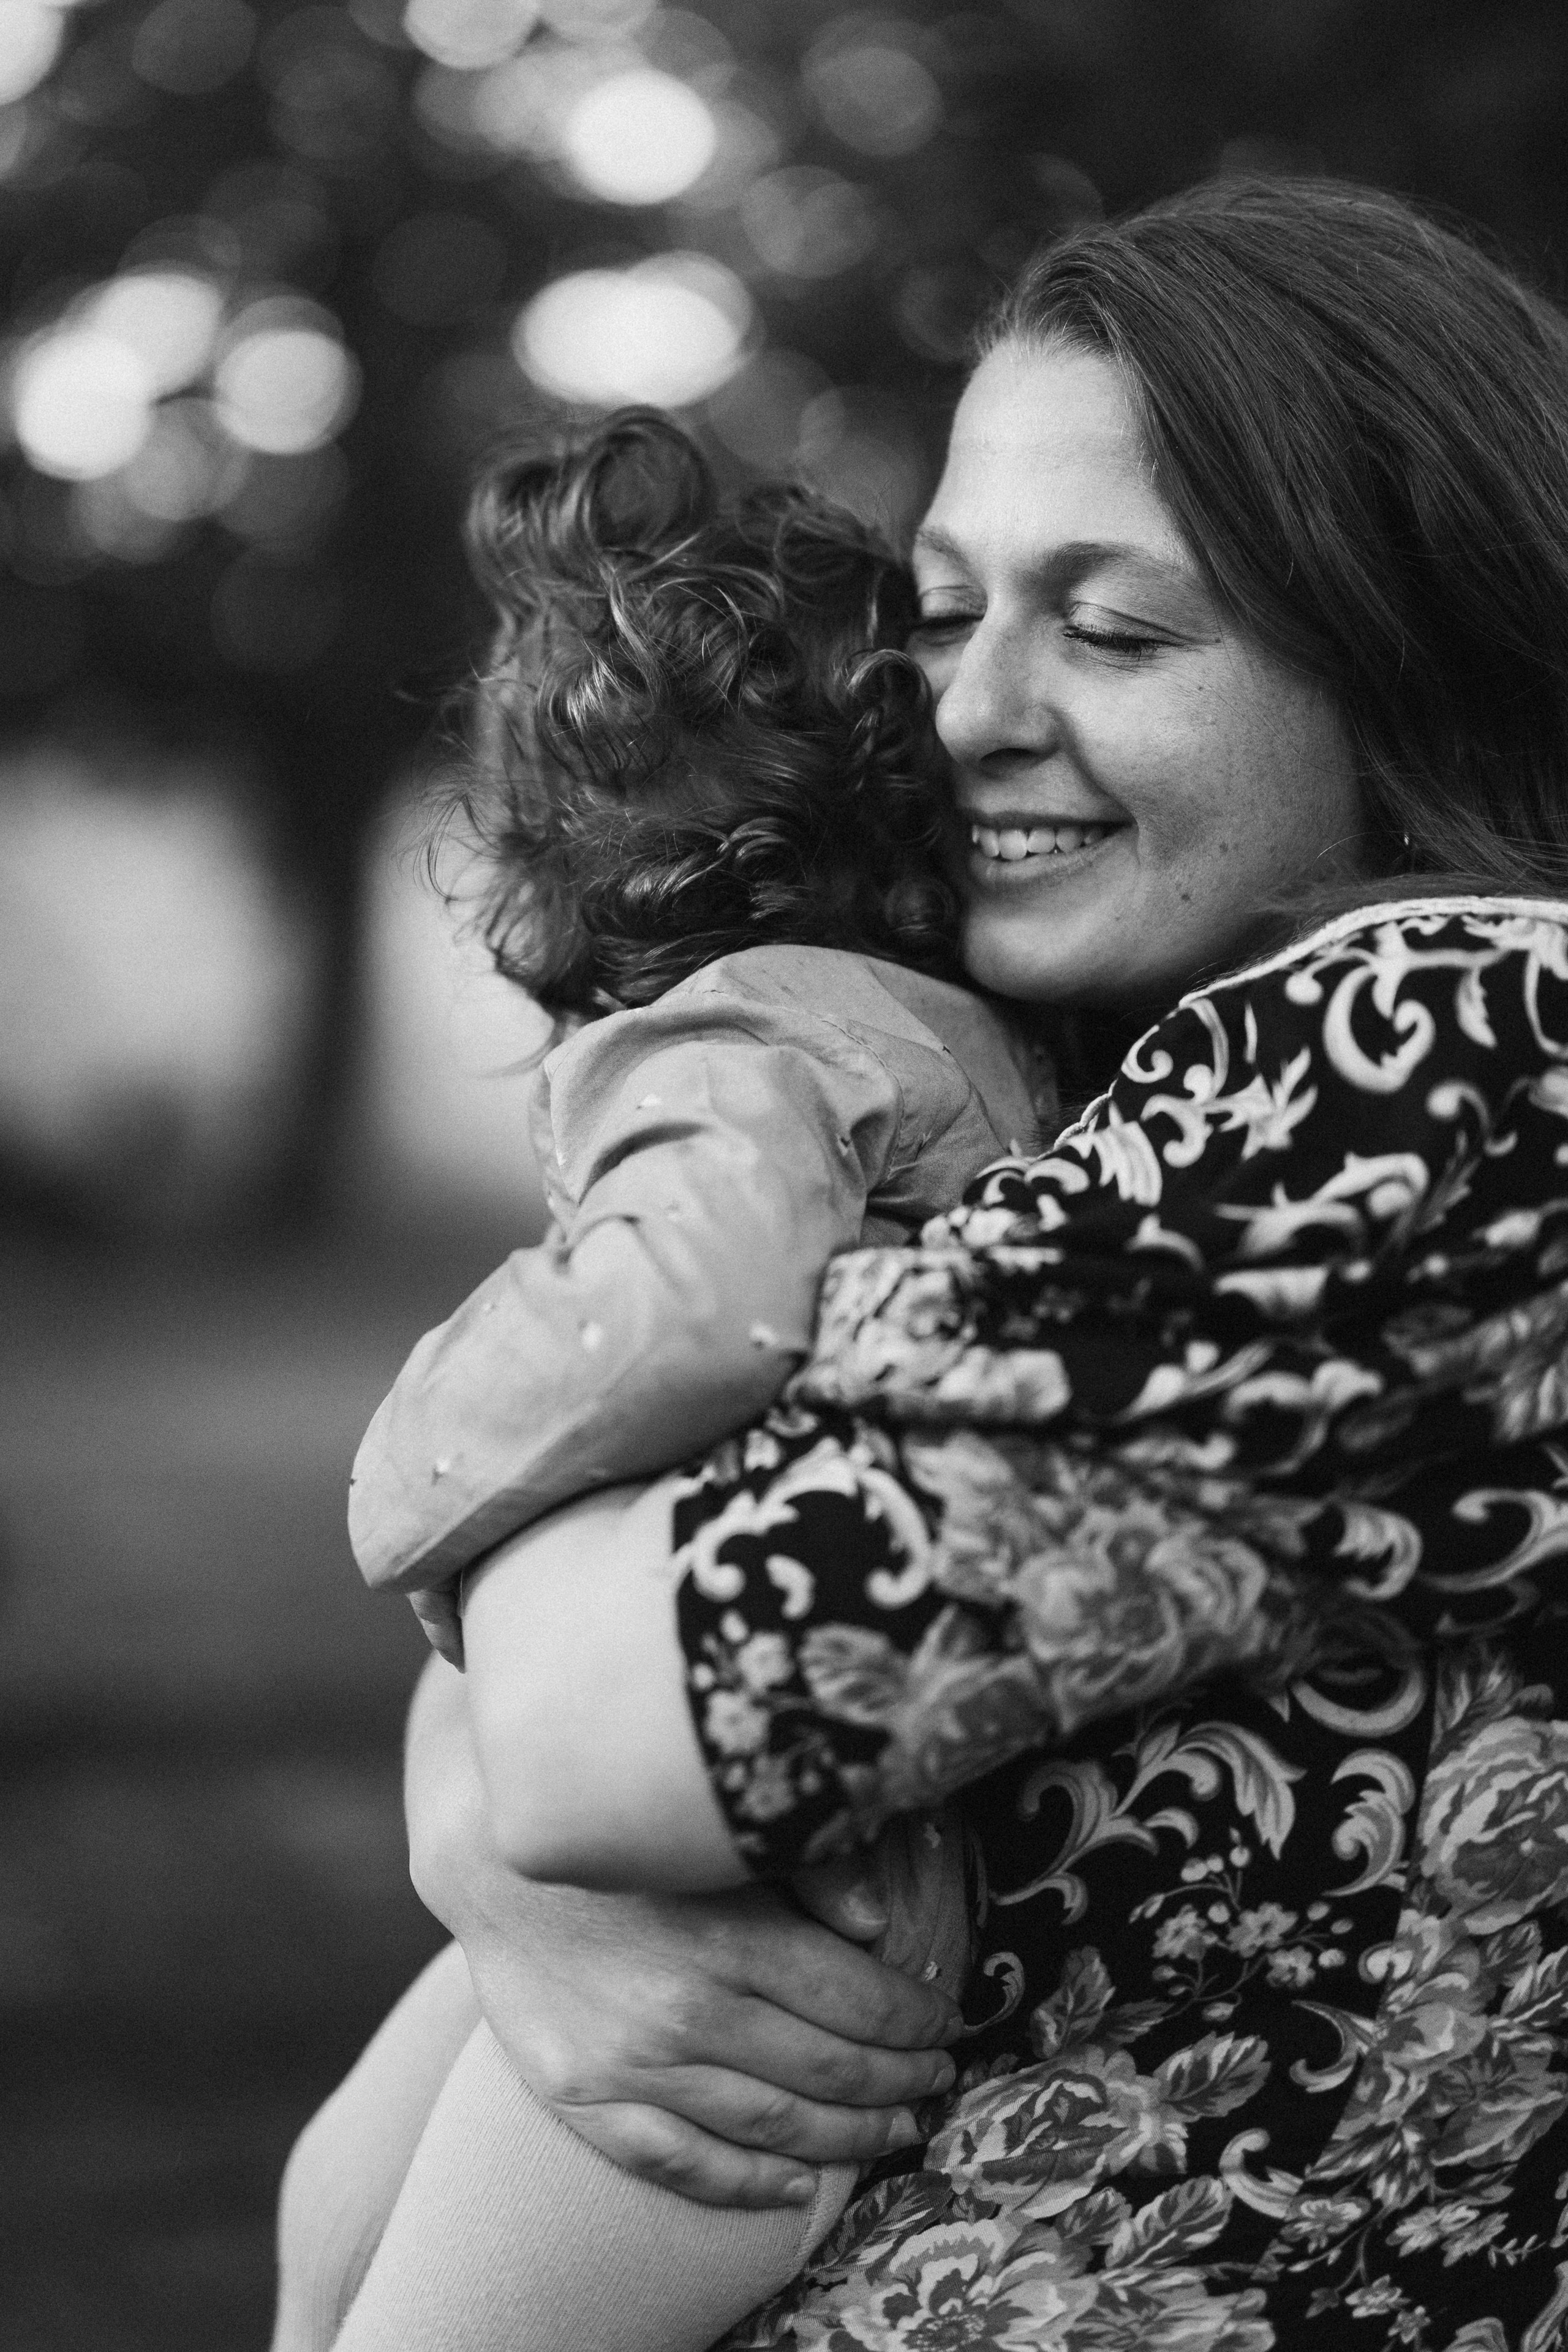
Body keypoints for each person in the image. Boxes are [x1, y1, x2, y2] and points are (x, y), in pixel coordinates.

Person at [406, 178, 1568, 2351]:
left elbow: (599, 1724)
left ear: (1421, 653)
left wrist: (500, 1805)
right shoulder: (1127, 1061)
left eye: (1119, 633)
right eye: (947, 613)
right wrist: (479, 1853)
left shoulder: (1452, 1045)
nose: (968, 716)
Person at [272, 412, 1048, 2350]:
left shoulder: (732, 1038)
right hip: (730, 1853)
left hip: (755, 1911)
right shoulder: (950, 1031)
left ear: (549, 863)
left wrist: (416, 1448)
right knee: (326, 2209)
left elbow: (694, 1309)